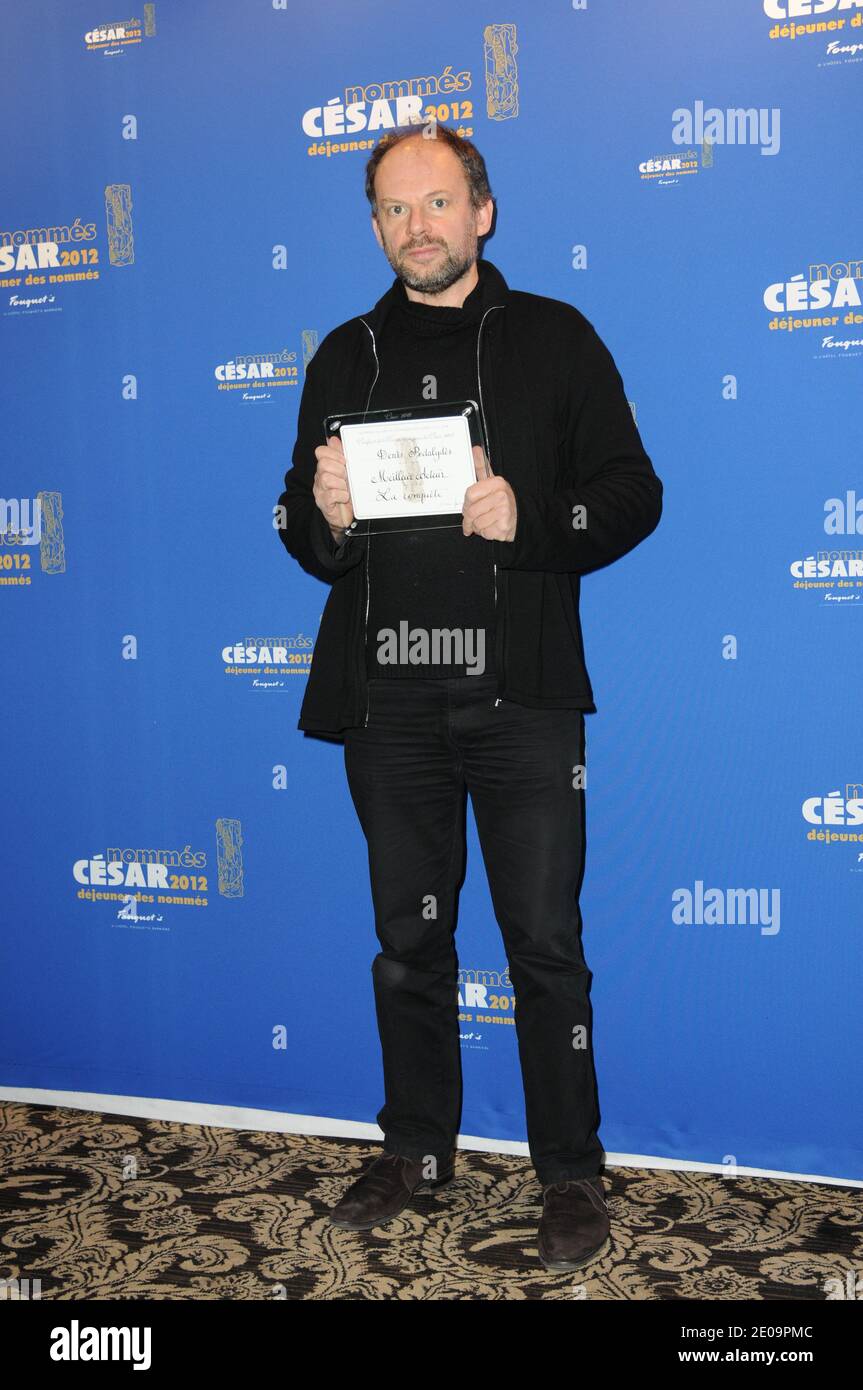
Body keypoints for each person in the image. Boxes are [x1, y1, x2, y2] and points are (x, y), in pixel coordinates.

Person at [275, 121, 663, 1272]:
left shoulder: (554, 336)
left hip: (521, 702)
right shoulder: (342, 354)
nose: (415, 227)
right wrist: (330, 516)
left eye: (435, 203)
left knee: (545, 945)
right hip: (387, 706)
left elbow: (632, 493)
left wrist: (531, 520)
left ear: (480, 212)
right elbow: (303, 535)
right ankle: (415, 1153)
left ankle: (570, 1172)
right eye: (393, 209)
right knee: (409, 945)